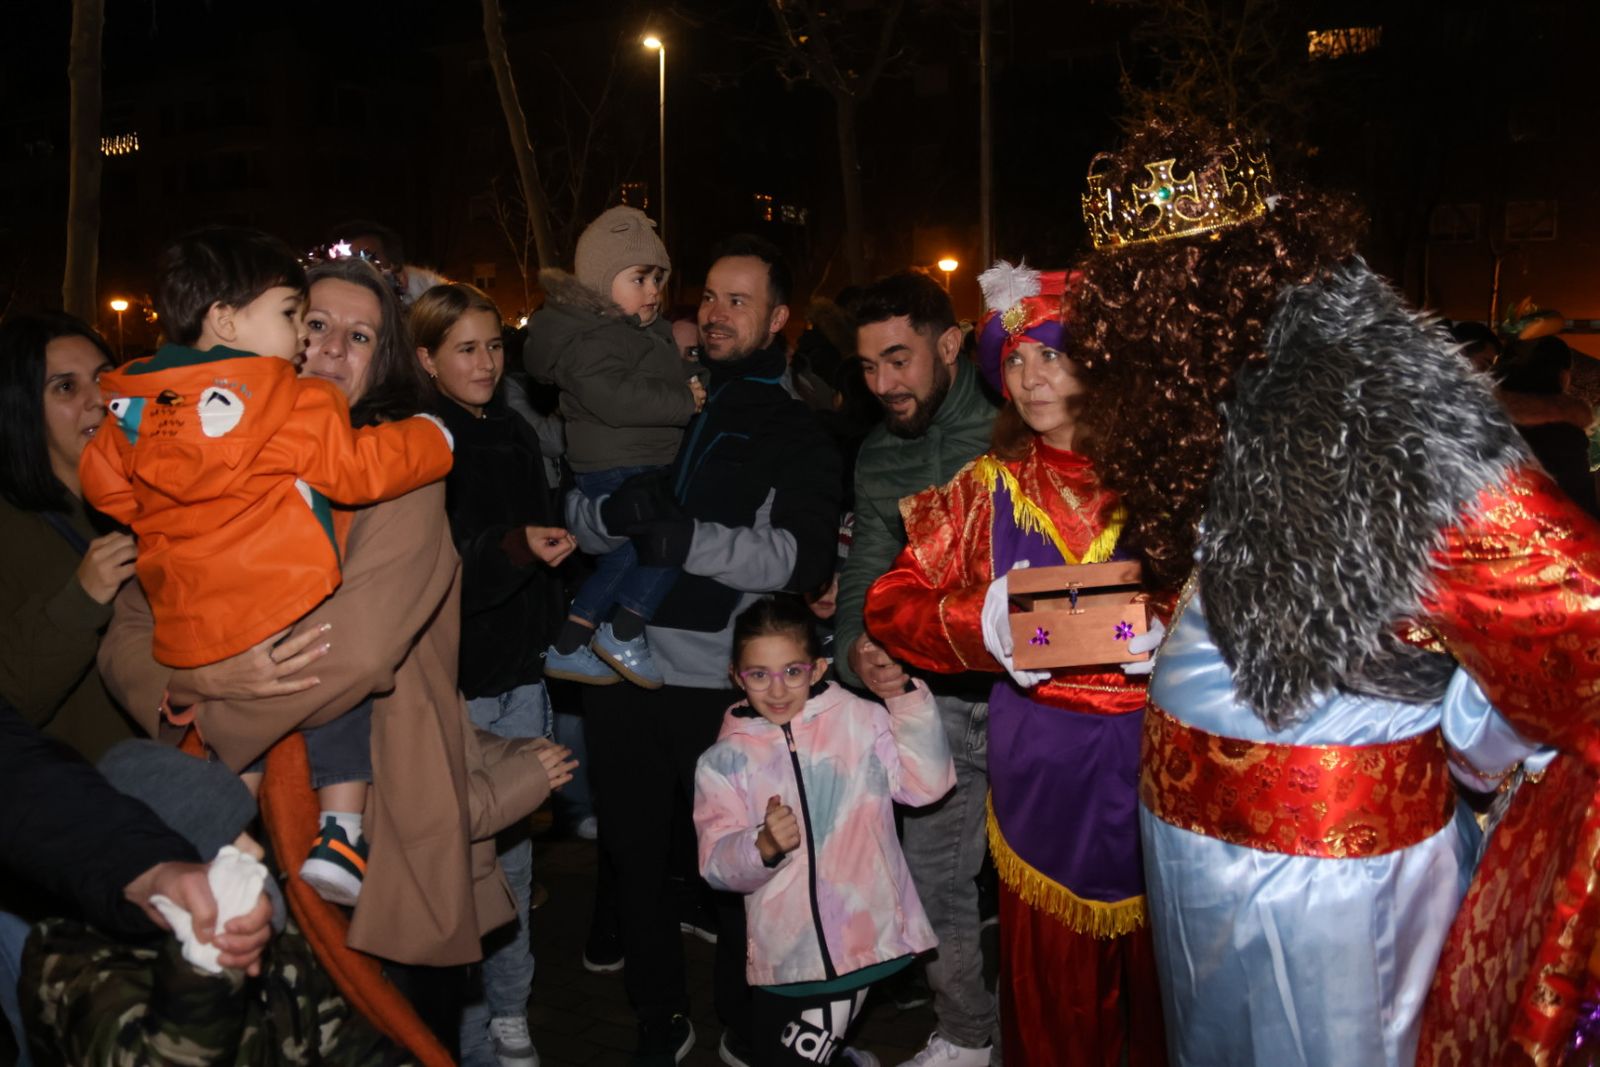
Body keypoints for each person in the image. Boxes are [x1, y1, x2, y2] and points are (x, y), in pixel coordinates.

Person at [1069, 120, 1600, 1066]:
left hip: (1330, 875)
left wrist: (1477, 731)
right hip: (1199, 856)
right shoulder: (1239, 388)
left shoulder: (1386, 409)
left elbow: (1574, 618)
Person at [96, 255, 574, 1056]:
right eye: (313, 324)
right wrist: (193, 674)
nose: (329, 348)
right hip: (237, 827)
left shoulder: (400, 473)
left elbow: (350, 656)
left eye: (360, 335)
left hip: (377, 831)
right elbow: (126, 635)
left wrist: (206, 697)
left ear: (384, 360)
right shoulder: (207, 459)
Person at [863, 262, 1165, 1067]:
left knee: (1164, 977)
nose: (1031, 379)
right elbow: (890, 602)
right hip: (1039, 767)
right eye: (1018, 359)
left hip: (1156, 766)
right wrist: (984, 622)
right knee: (1054, 984)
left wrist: (1184, 623)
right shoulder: (982, 492)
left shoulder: (1170, 478)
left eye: (1053, 355)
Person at [563, 234, 842, 1065]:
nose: (716, 314)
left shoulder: (796, 427)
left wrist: (685, 538)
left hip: (709, 679)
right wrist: (607, 521)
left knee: (733, 864)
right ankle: (657, 1010)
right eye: (710, 297)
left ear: (780, 318)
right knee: (635, 853)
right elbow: (582, 504)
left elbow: (801, 558)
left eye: (739, 301)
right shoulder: (660, 394)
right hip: (614, 671)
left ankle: (741, 1016)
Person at [834, 271, 999, 1067]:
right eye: (867, 368)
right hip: (932, 708)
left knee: (1051, 885)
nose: (883, 385)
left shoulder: (1015, 427)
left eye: (898, 360)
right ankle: (969, 1034)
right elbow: (867, 566)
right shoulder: (875, 455)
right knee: (936, 885)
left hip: (1030, 704)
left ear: (949, 344)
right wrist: (857, 651)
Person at [413, 281, 577, 1067]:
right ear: (425, 358)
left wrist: (549, 585)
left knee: (512, 859)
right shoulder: (418, 442)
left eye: (493, 346)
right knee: (461, 862)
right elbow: (438, 572)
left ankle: (509, 1011)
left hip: (520, 679)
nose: (484, 363)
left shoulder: (510, 425)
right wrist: (515, 548)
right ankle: (467, 1032)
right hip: (453, 687)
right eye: (464, 349)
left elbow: (529, 538)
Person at [694, 596, 955, 1067]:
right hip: (785, 957)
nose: (777, 690)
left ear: (817, 669)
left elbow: (926, 786)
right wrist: (762, 847)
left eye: (792, 671)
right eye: (759, 675)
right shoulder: (723, 759)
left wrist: (904, 699)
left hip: (865, 941)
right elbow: (716, 866)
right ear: (736, 675)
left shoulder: (860, 719)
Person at [0, 698, 277, 1063]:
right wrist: (205, 966)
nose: (256, 859)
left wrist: (151, 868)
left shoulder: (271, 939)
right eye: (231, 842)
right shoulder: (88, 976)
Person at [527, 206, 705, 689]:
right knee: (666, 541)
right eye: (640, 279)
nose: (653, 291)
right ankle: (624, 628)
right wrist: (682, 402)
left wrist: (696, 384)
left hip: (638, 456)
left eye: (657, 279)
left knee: (629, 554)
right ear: (602, 282)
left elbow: (658, 380)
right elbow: (615, 397)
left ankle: (571, 641)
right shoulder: (591, 337)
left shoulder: (637, 333)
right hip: (617, 460)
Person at [0, 312, 140, 761]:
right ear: (22, 409)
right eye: (65, 387)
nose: (97, 399)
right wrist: (83, 596)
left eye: (104, 378)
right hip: (92, 807)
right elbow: (13, 699)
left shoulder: (160, 498)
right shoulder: (11, 529)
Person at [1496, 335, 1598, 517]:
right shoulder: (1564, 434)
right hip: (1542, 526)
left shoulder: (1485, 416)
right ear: (1563, 375)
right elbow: (1579, 498)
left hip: (1489, 521)